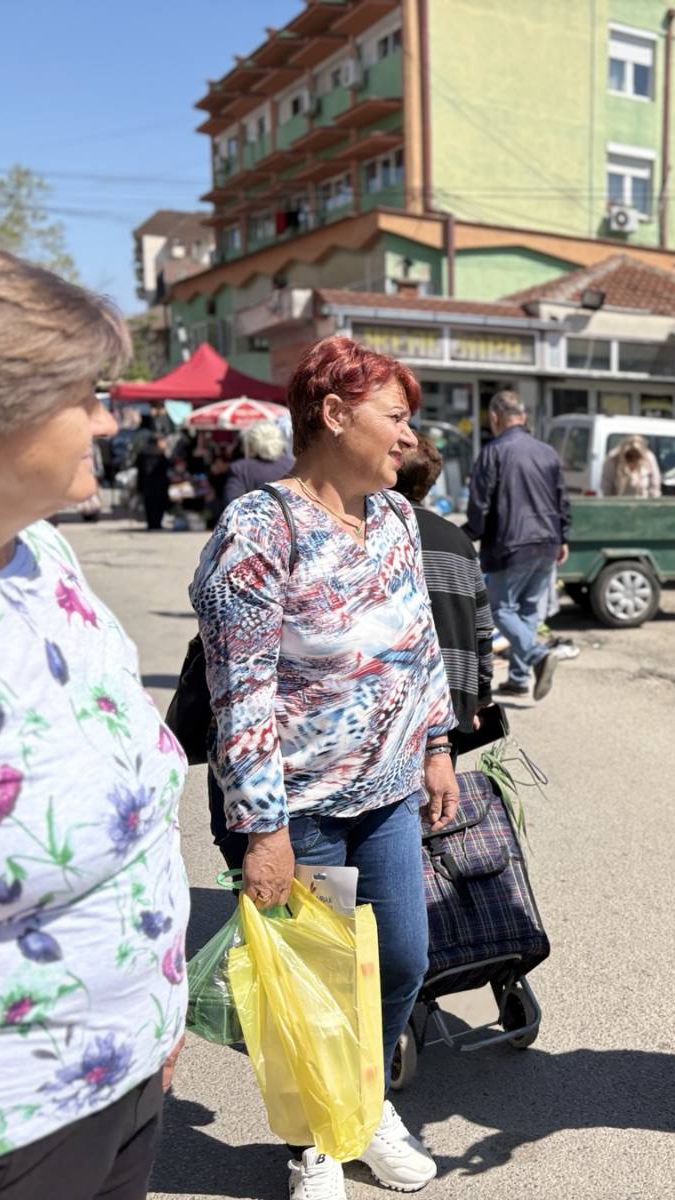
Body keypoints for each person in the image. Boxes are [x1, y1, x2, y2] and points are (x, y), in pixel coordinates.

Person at [191, 336, 459, 1200]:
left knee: (401, 962)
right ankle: (316, 1142)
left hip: (387, 795)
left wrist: (437, 745)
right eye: (396, 417)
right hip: (298, 808)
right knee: (315, 984)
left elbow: (420, 644)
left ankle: (365, 1107)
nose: (409, 437)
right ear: (335, 415)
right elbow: (239, 692)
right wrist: (262, 829)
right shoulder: (258, 528)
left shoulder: (397, 519)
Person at [0, 234, 188, 1199]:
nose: (106, 420)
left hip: (119, 1072)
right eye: (82, 395)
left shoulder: (42, 555)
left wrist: (153, 1010)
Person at [465, 390, 569, 703]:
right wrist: (564, 537)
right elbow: (562, 499)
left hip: (510, 544)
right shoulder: (548, 452)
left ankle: (537, 655)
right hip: (547, 542)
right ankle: (519, 678)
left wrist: (468, 533)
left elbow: (479, 503)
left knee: (500, 610)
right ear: (523, 416)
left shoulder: (493, 451)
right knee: (527, 612)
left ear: (495, 417)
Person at [395, 440, 496, 754]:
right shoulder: (457, 540)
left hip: (393, 699)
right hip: (452, 696)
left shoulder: (372, 529)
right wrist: (480, 696)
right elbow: (483, 628)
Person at [220, 420, 295, 512]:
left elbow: (231, 505)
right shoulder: (292, 464)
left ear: (250, 443)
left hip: (251, 519)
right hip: (291, 519)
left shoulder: (240, 468)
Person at [600, 433, 662, 498]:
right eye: (630, 456)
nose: (633, 459)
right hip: (619, 500)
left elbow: (655, 485)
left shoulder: (649, 458)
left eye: (636, 456)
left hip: (642, 500)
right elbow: (606, 486)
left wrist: (653, 500)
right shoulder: (613, 459)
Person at [135, 434, 171, 530]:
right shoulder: (160, 453)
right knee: (159, 505)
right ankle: (157, 524)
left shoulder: (143, 452)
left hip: (146, 484)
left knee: (149, 505)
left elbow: (138, 467)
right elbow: (166, 466)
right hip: (159, 484)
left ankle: (151, 524)